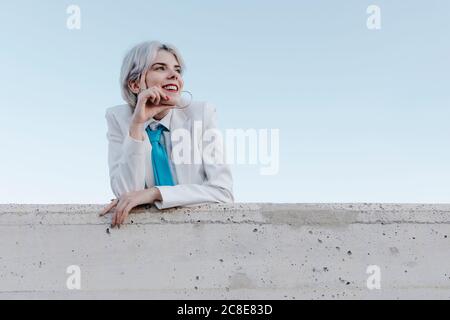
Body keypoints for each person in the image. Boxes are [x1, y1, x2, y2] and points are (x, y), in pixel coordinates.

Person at [100, 41, 234, 227]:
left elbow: (222, 192)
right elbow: (126, 193)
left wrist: (155, 193)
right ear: (134, 84)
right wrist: (137, 125)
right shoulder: (118, 118)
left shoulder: (202, 113)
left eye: (177, 70)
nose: (174, 76)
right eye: (160, 68)